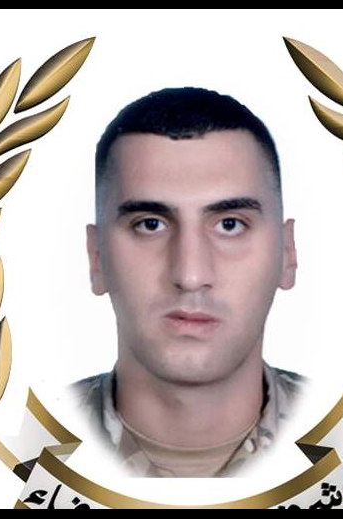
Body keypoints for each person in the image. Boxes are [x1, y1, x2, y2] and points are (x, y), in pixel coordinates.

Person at [72, 87, 304, 477]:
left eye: (230, 225)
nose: (190, 275)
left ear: (287, 253)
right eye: (150, 225)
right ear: (97, 258)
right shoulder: (24, 452)